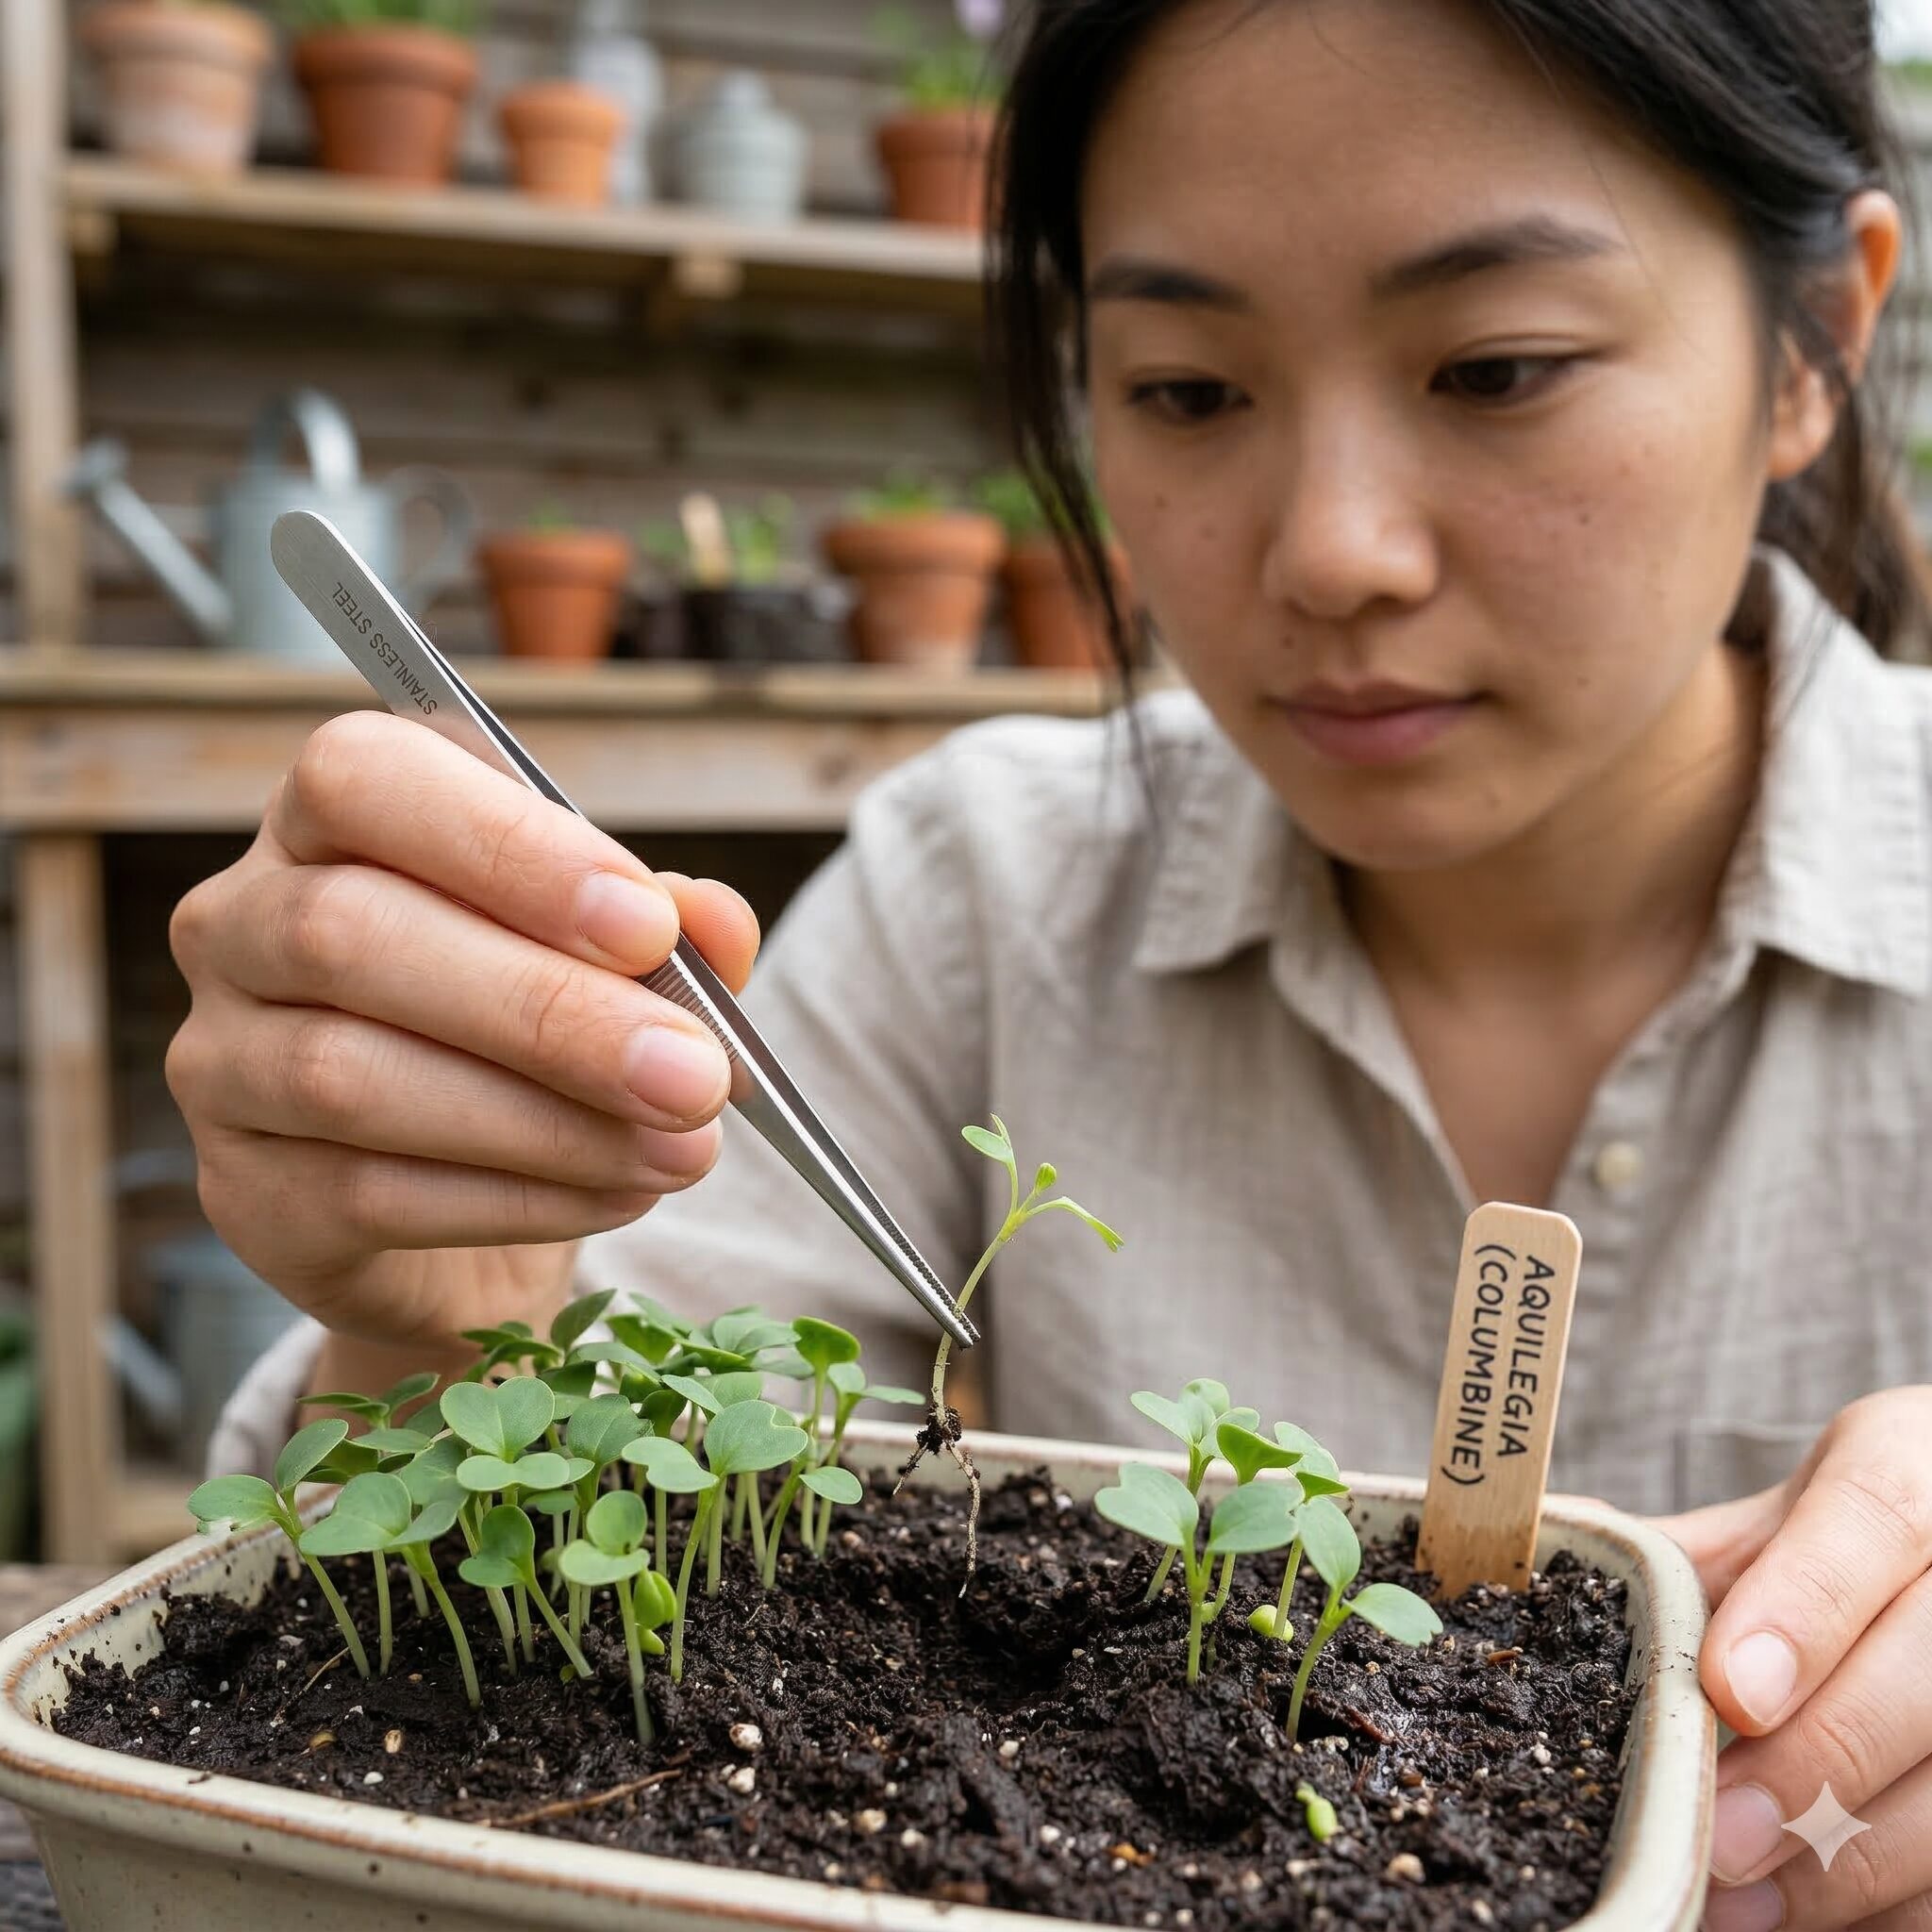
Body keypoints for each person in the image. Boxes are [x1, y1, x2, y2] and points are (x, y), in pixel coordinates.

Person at [169, 2, 1932, 1924]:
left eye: (1494, 366)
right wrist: (442, 1328)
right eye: (1184, 388)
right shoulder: (978, 890)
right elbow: (502, 1647)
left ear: (1815, 343)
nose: (1332, 551)